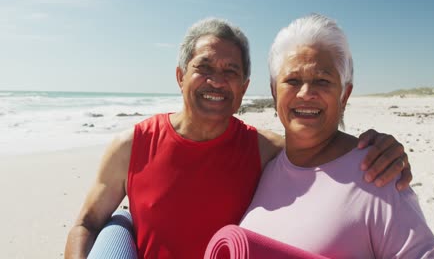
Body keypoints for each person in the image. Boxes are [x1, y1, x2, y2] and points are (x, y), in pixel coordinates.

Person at [65, 18, 413, 259]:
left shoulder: (264, 149)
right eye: (205, 68)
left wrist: (381, 147)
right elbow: (86, 223)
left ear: (245, 87)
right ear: (180, 76)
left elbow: (324, 150)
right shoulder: (132, 145)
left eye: (231, 72)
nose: (217, 81)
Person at [240, 14, 434, 258]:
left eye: (322, 80)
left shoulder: (378, 173)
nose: (306, 93)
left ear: (344, 94)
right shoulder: (265, 167)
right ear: (274, 92)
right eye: (292, 80)